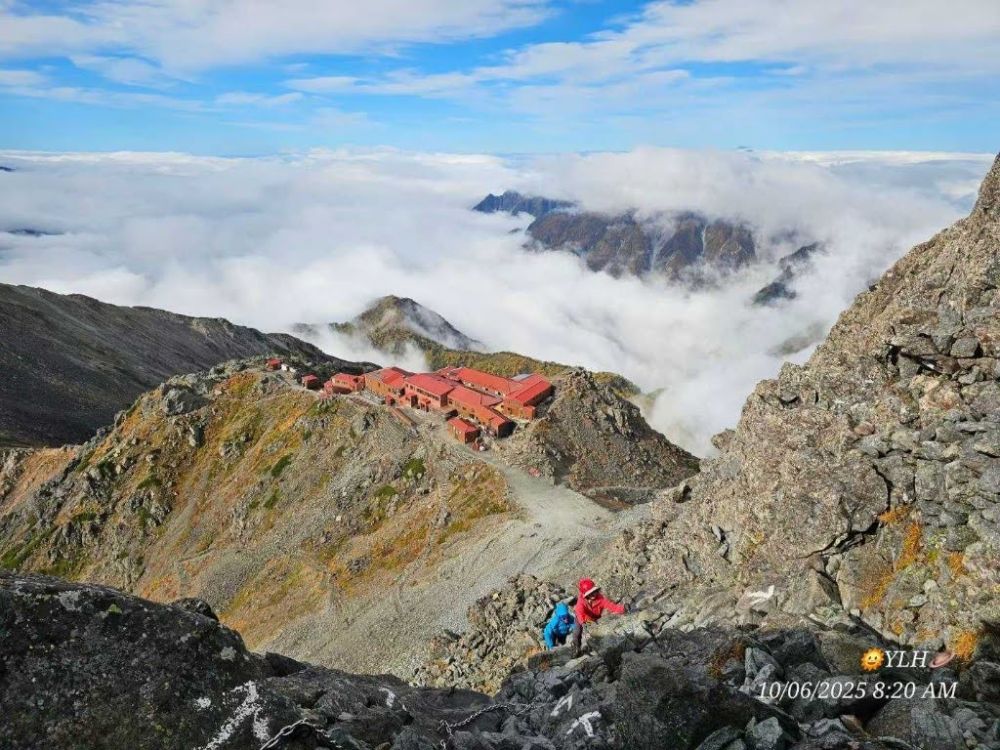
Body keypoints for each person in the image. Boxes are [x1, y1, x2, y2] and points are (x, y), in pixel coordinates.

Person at [572, 578, 625, 656]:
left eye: (594, 591)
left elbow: (611, 606)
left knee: (594, 633)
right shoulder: (581, 601)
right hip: (582, 619)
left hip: (594, 619)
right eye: (590, 593)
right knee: (577, 632)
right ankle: (576, 648)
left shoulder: (600, 598)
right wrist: (583, 623)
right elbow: (579, 613)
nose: (593, 594)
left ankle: (595, 648)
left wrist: (623, 608)